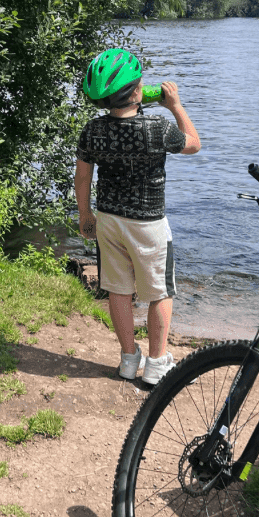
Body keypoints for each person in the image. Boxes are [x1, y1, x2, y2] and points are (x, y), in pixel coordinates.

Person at [74, 47, 201, 385]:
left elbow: (83, 177)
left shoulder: (93, 131)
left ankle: (129, 359)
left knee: (118, 289)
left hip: (109, 220)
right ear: (137, 90)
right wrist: (175, 105)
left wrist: (85, 214)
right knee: (159, 291)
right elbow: (193, 144)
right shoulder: (157, 128)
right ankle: (157, 363)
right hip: (148, 222)